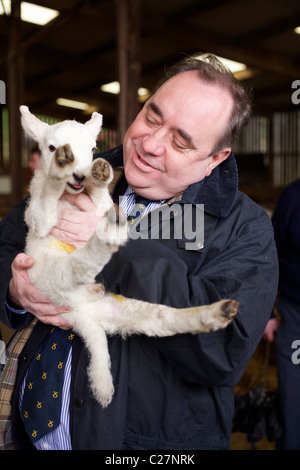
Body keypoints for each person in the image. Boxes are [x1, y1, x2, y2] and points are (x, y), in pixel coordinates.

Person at [0, 53, 278, 450]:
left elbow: (224, 349)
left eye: (180, 142)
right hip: (24, 433)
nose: (150, 144)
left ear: (214, 160)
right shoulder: (78, 173)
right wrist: (14, 291)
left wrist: (114, 249)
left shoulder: (244, 228)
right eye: (151, 117)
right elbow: (4, 245)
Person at [263, 179, 300, 449]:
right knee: (293, 398)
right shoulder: (294, 197)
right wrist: (266, 313)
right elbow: (269, 253)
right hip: (295, 315)